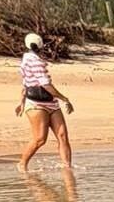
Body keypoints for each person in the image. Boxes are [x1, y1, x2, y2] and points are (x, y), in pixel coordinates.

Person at [15, 32, 75, 172]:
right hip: (37, 104)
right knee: (40, 139)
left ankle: (67, 168)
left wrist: (21, 102)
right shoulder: (34, 61)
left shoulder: (28, 60)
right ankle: (22, 164)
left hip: (50, 102)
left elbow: (26, 83)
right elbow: (46, 84)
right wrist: (65, 99)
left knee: (62, 136)